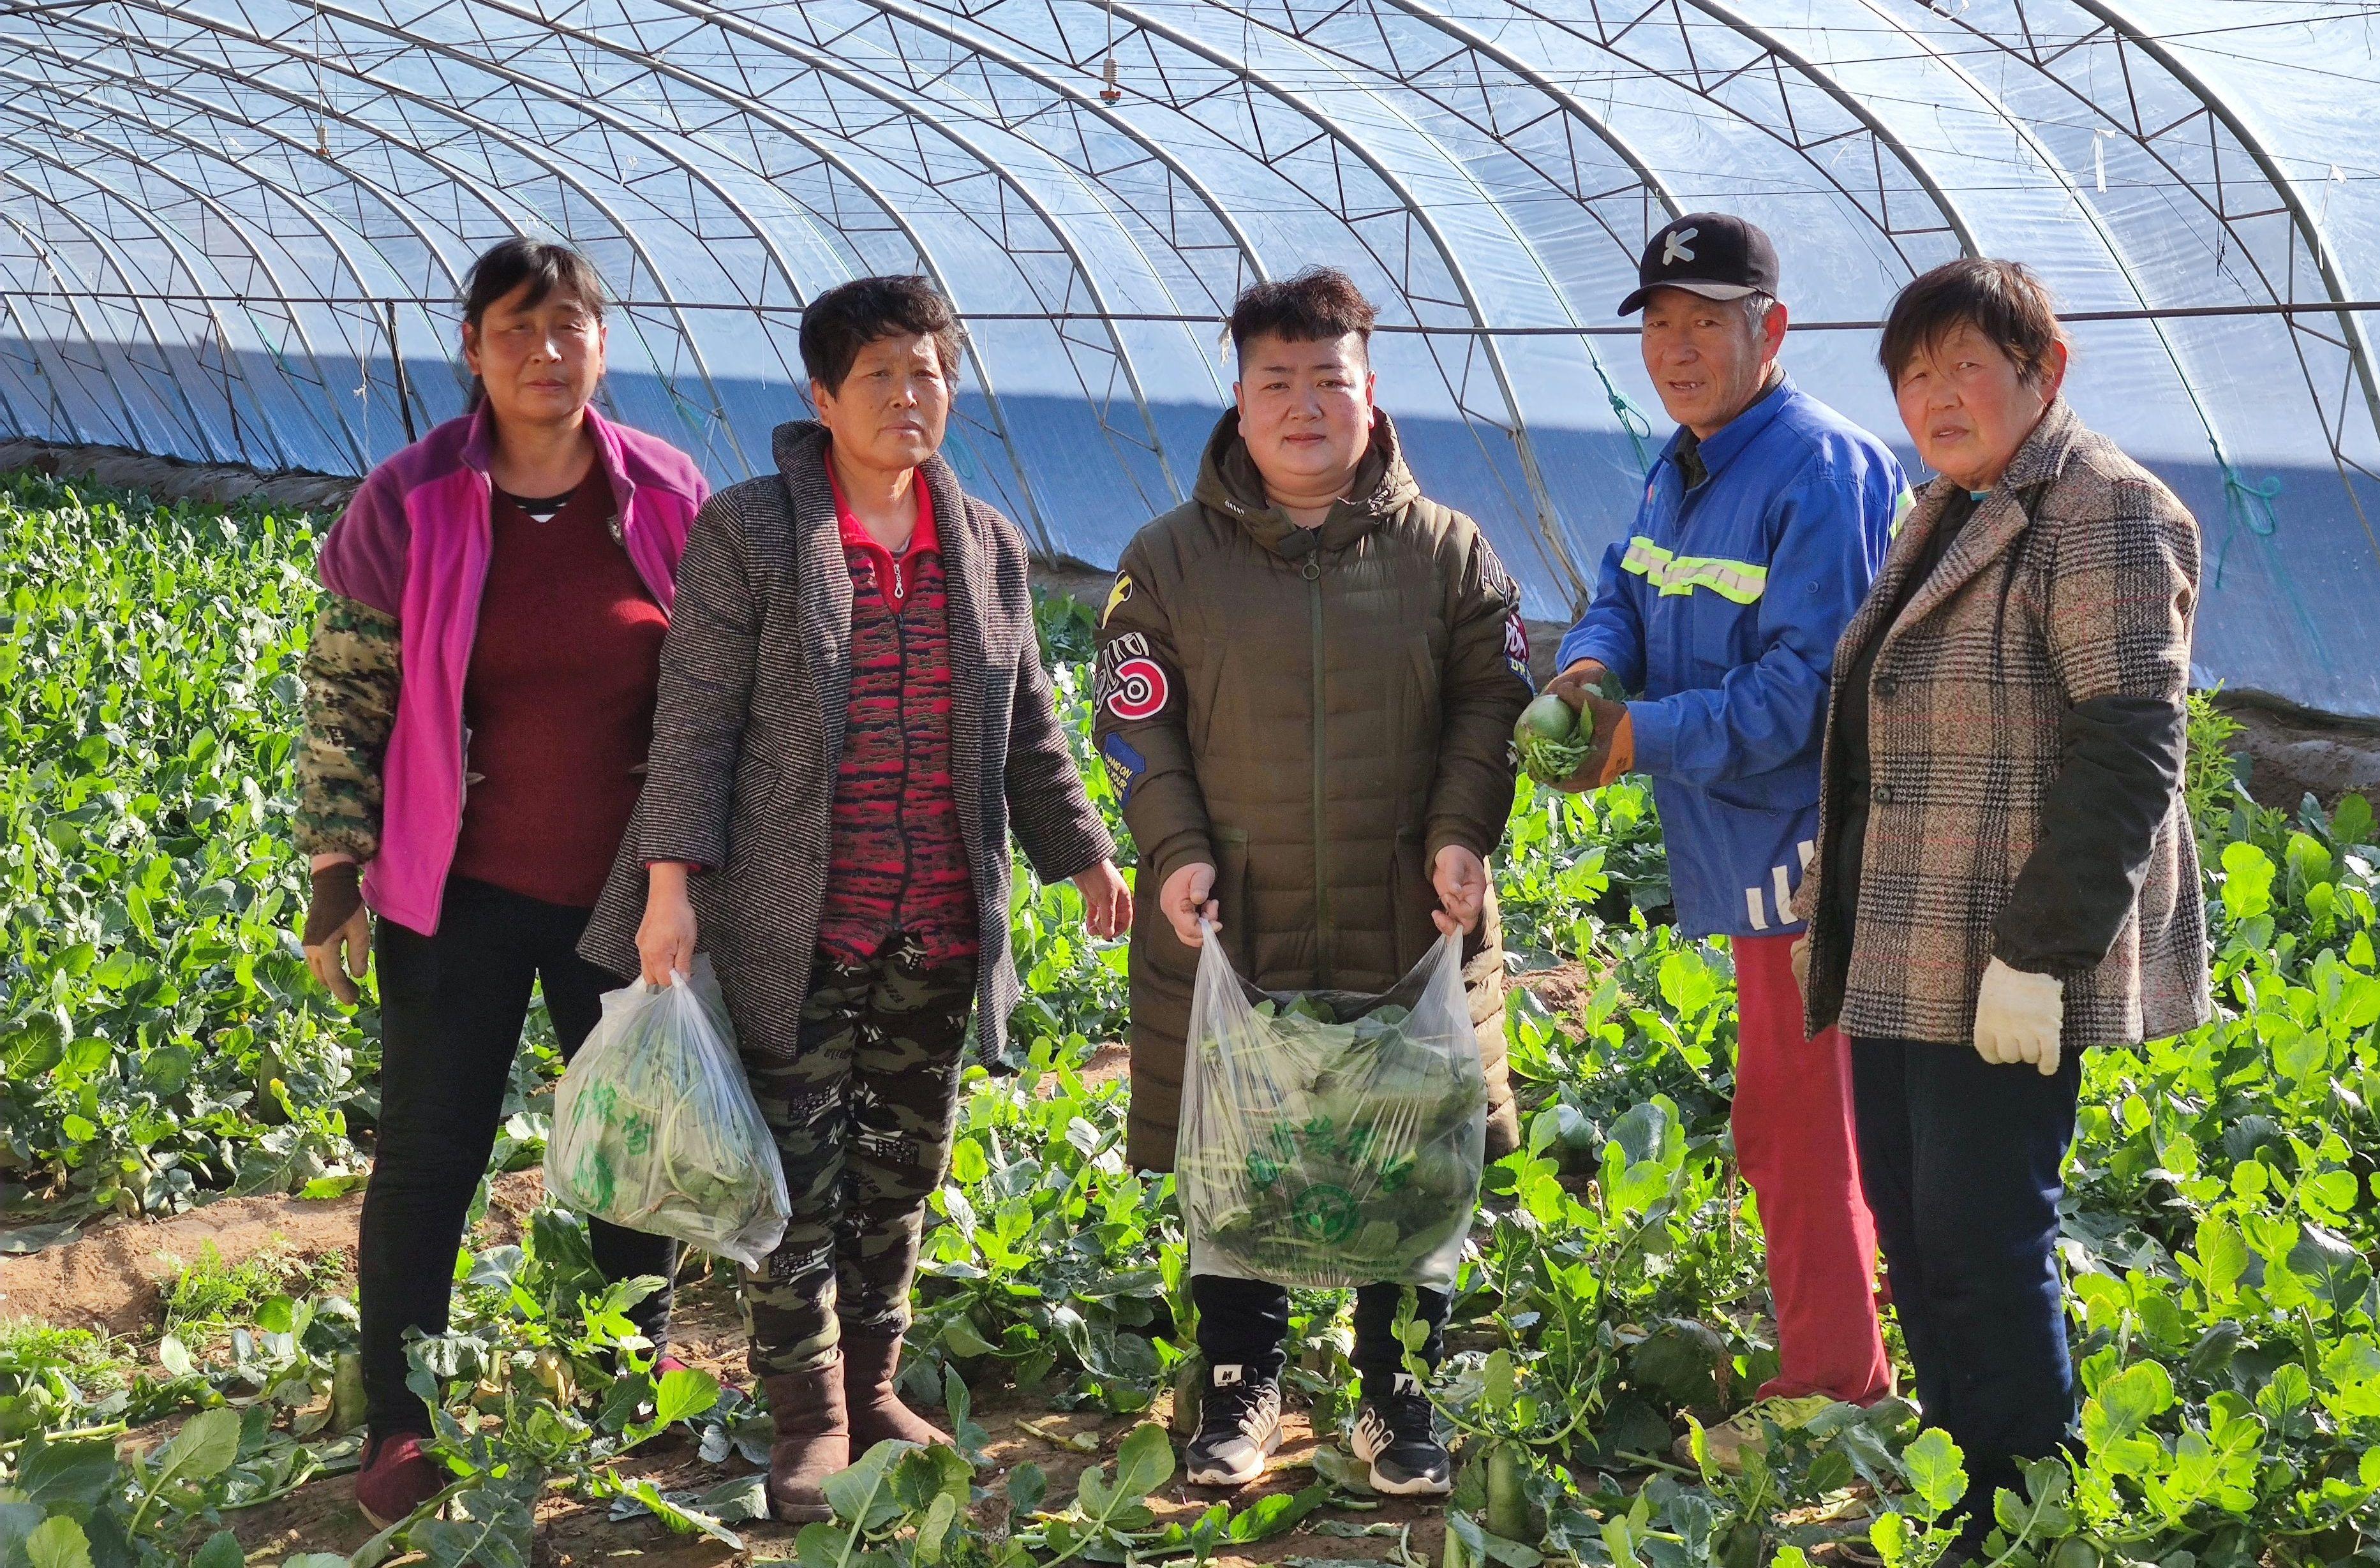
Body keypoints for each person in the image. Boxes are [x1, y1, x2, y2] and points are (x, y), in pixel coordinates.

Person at [578, 275, 1131, 1522]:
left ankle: (874, 1386)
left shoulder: (982, 540)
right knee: (794, 1183)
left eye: (928, 370)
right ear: (822, 396)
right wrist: (670, 887)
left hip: (936, 922)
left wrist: (1084, 852)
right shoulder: (752, 533)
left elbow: (1026, 723)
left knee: (899, 1169)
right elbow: (697, 724)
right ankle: (806, 1419)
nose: (908, 395)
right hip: (798, 928)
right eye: (878, 374)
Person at [293, 238, 710, 1527]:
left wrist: (693, 873)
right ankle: (399, 1423)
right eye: (516, 329)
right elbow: (346, 695)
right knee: (432, 1156)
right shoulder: (409, 497)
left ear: (603, 340)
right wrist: (333, 869)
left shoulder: (664, 490)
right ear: (471, 348)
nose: (545, 351)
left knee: (635, 1147)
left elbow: (708, 698)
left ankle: (632, 1372)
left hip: (625, 892)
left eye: (568, 325)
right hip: (452, 884)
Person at [1794, 258, 2209, 1551]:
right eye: (1912, 373)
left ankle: (2032, 1504)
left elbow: (2127, 744)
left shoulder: (2099, 509)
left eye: (1963, 363)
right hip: (1904, 940)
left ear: (2042, 372)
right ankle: (1978, 1486)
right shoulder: (1947, 505)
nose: (1934, 393)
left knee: (1983, 1234)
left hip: (1999, 947)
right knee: (1917, 1236)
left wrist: (2037, 953)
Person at [1095, 267, 1529, 1498]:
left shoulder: (1451, 551)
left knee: (1407, 1147)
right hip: (1237, 917)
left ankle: (1400, 1390)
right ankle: (1238, 1382)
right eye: (1274, 381)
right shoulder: (1163, 561)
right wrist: (1176, 854)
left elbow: (1492, 705)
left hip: (1409, 910)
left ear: (1369, 393)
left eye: (1326, 380)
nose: (1302, 405)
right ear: (1237, 399)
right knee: (1240, 1150)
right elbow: (1137, 725)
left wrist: (1461, 830)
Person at [1538, 213, 1905, 1446]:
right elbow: (1622, 591)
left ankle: (1836, 1382)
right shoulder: (1680, 464)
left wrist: (1637, 741)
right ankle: (1855, 1332)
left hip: (1813, 854)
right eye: (1658, 323)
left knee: (1801, 1122)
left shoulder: (1822, 468)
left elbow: (1812, 692)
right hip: (1737, 848)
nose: (1676, 347)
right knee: (1797, 1112)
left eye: (1705, 321)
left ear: (1772, 329)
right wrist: (1591, 671)